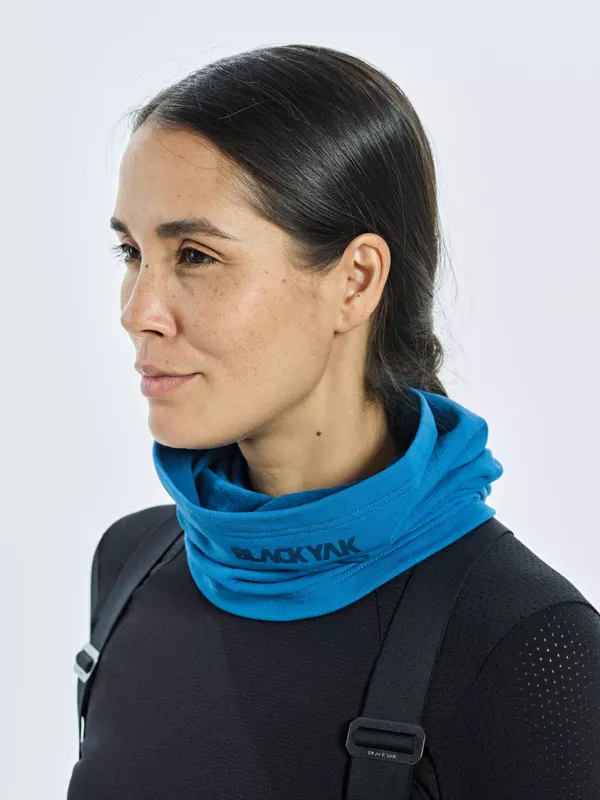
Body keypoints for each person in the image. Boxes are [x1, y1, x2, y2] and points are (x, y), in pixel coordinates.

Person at [66, 43, 600, 799]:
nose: (138, 311)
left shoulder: (527, 646)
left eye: (195, 255)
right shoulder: (128, 566)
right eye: (131, 251)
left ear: (355, 280)